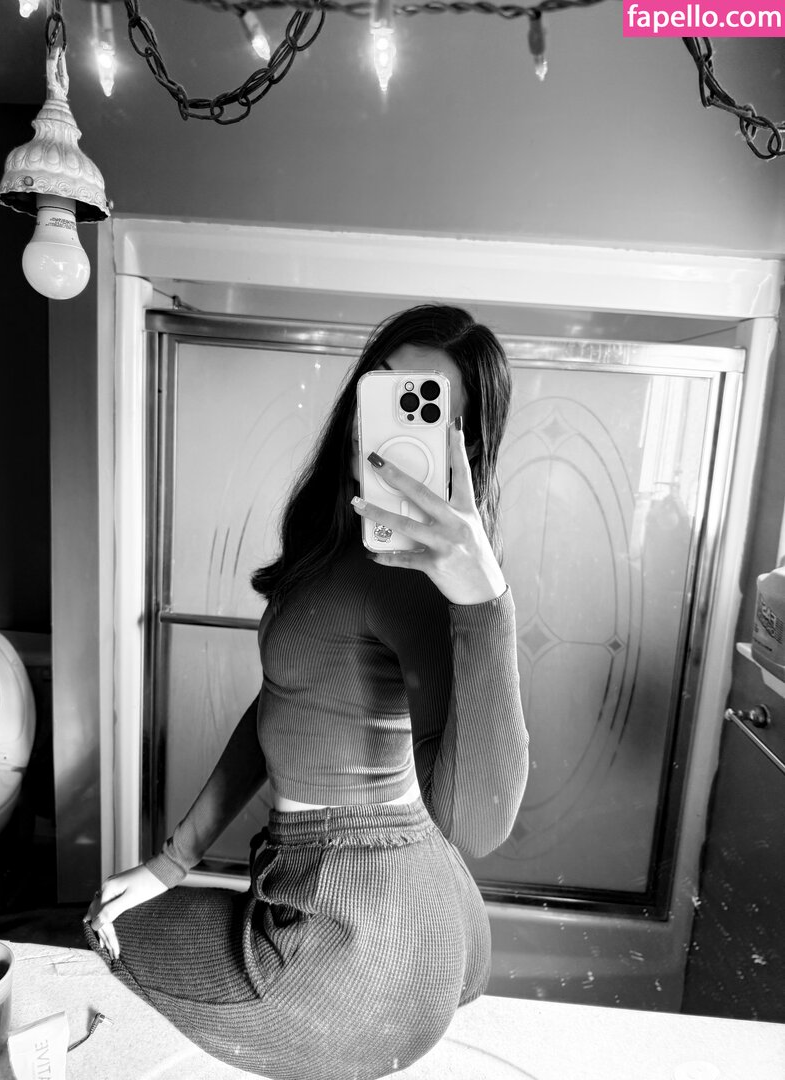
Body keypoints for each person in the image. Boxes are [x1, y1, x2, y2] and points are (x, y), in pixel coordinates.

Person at [84, 304, 529, 1080]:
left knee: (105, 930)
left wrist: (486, 602)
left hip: (366, 917)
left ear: (464, 445)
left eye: (427, 409)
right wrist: (174, 858)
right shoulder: (330, 538)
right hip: (358, 882)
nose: (391, 422)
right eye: (385, 388)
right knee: (120, 917)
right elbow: (283, 702)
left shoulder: (425, 584)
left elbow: (475, 823)